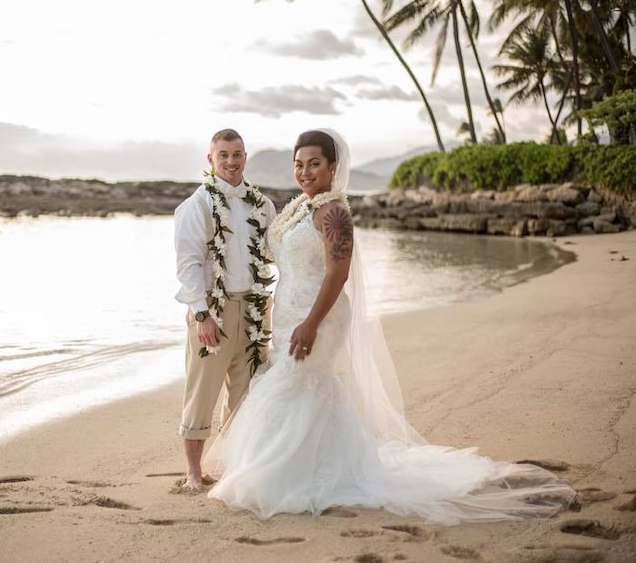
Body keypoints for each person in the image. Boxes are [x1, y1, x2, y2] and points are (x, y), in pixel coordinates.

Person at [204, 129, 577, 524]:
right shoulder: (301, 208)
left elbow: (338, 273)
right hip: (289, 313)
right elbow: (279, 255)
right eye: (299, 164)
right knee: (305, 388)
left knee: (293, 385)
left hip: (319, 315)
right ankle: (321, 463)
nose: (305, 171)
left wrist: (312, 323)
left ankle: (288, 475)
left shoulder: (334, 213)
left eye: (315, 163)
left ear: (333, 167)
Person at [173, 128, 277, 491]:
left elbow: (273, 252)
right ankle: (193, 473)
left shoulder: (262, 205)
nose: (231, 161)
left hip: (252, 309)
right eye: (224, 155)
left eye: (237, 154)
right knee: (201, 393)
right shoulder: (196, 206)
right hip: (212, 313)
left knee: (245, 396)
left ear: (245, 156)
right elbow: (188, 265)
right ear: (211, 159)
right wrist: (201, 315)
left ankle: (235, 468)